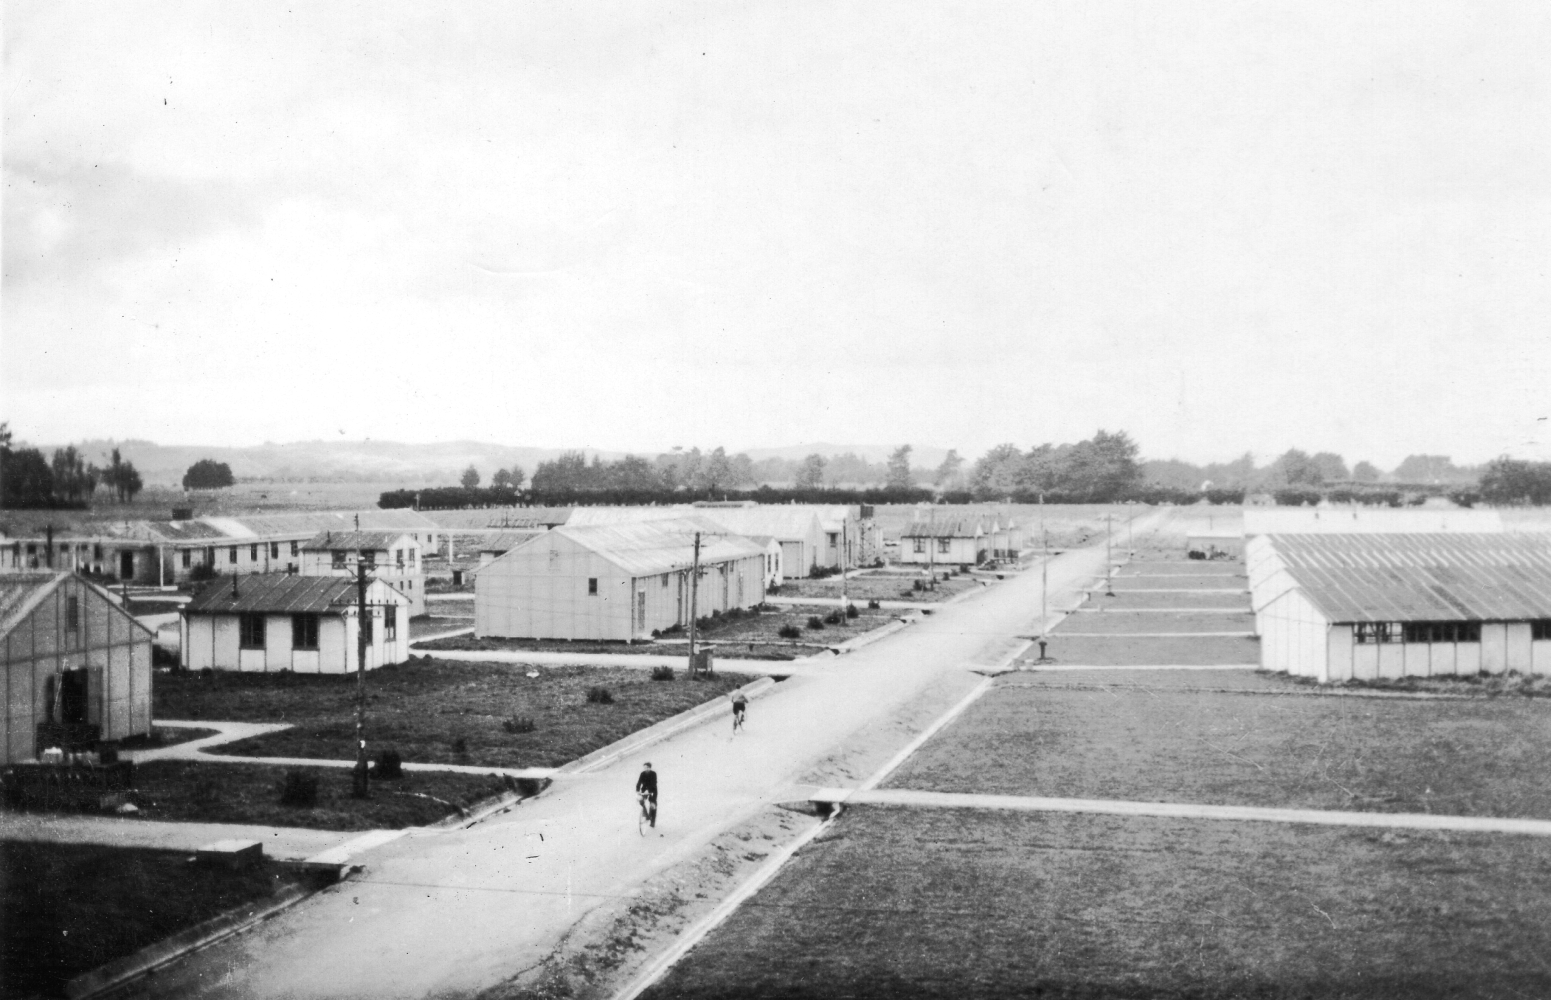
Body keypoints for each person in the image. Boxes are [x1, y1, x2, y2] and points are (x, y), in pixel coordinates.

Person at [635, 761, 658, 828]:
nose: (646, 769)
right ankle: (646, 815)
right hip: (644, 790)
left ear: (650, 768)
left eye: (647, 767)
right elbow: (639, 783)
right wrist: (638, 790)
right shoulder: (642, 774)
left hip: (652, 791)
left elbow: (654, 783)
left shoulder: (654, 774)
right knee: (641, 801)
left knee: (652, 806)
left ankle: (652, 821)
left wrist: (649, 790)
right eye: (645, 768)